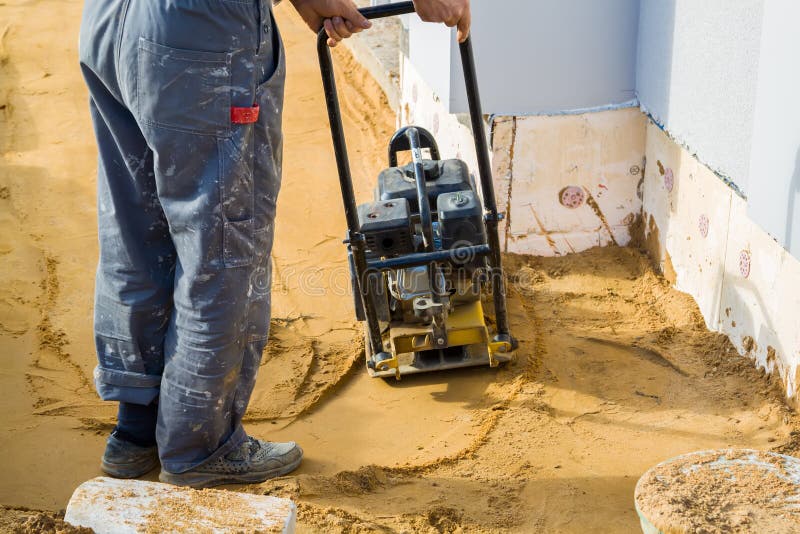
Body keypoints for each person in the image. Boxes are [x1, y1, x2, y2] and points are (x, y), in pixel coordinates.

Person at [78, 0, 470, 488]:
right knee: (220, 246)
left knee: (136, 229)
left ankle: (134, 436)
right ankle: (200, 447)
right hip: (197, 41)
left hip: (112, 22)